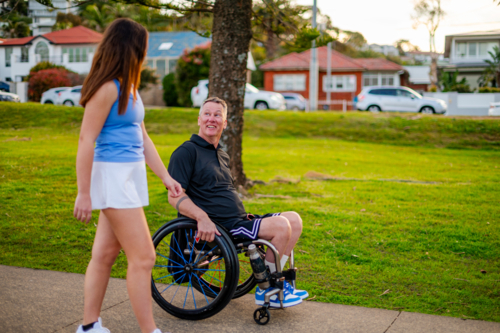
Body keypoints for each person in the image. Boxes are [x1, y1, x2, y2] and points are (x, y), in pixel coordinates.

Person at [73, 18, 182, 333]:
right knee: (145, 258)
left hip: (129, 177)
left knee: (105, 254)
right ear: (132, 49)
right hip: (113, 177)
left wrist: (165, 176)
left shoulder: (128, 87)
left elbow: (143, 138)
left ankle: (89, 327)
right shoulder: (107, 88)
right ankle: (150, 331)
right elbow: (85, 140)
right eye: (143, 48)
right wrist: (84, 192)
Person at [167, 97, 308, 308]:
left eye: (217, 115)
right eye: (207, 114)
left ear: (225, 123)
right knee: (281, 226)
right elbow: (174, 196)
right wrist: (202, 217)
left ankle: (279, 285)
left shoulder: (221, 155)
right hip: (220, 227)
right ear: (199, 119)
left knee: (294, 220)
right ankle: (268, 289)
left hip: (238, 220)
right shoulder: (186, 152)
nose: (211, 119)